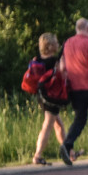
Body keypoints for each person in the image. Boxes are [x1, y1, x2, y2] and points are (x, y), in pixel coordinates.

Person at [60, 18, 88, 166]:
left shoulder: (67, 43)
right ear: (87, 28)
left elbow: (62, 67)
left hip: (75, 89)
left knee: (80, 119)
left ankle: (67, 144)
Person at [29, 33, 66, 165]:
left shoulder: (38, 59)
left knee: (58, 125)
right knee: (48, 125)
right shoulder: (52, 62)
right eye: (55, 43)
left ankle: (68, 151)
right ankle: (37, 155)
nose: (58, 44)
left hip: (42, 95)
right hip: (51, 97)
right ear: (49, 46)